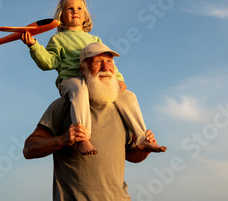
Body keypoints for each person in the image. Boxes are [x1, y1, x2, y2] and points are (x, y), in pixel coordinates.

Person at [21, 0, 165, 155]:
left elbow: (106, 61)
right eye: (70, 9)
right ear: (61, 16)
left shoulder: (94, 38)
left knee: (129, 96)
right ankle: (83, 137)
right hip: (71, 80)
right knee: (79, 88)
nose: (75, 11)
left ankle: (142, 139)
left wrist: (118, 80)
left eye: (80, 8)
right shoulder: (58, 39)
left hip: (95, 81)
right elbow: (49, 63)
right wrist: (34, 45)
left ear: (85, 16)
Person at [23, 43, 166, 200]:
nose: (105, 67)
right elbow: (29, 149)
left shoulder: (124, 109)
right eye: (98, 62)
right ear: (83, 69)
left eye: (109, 61)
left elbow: (132, 156)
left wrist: (144, 150)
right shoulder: (63, 105)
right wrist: (61, 140)